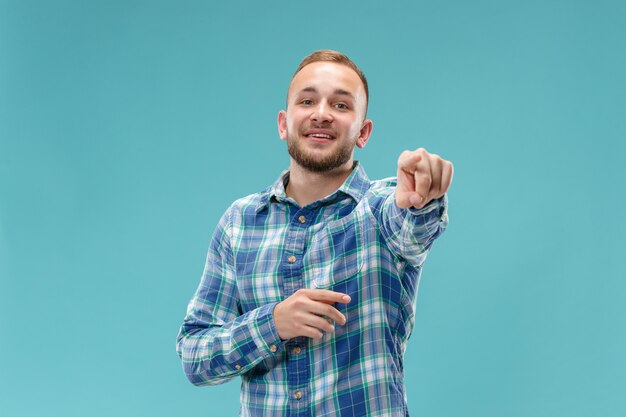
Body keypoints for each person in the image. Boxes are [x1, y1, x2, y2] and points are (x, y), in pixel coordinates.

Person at [176, 49, 453, 417]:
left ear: (363, 132)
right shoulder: (240, 222)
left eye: (341, 105)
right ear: (283, 123)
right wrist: (273, 323)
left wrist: (423, 198)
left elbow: (412, 229)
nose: (321, 113)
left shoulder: (382, 209)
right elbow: (195, 355)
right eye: (307, 100)